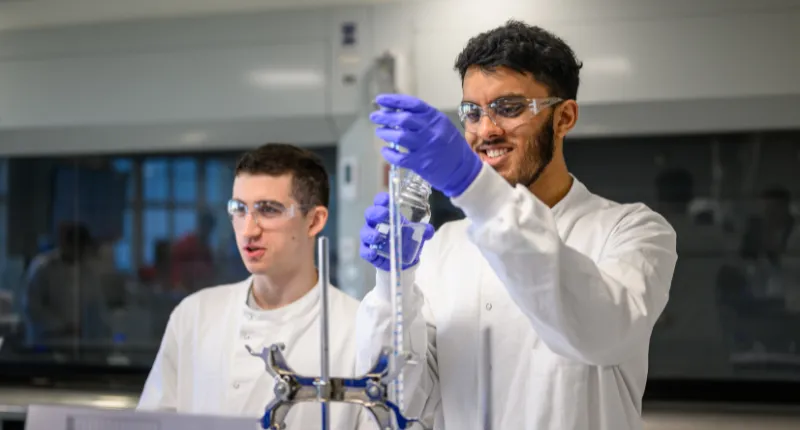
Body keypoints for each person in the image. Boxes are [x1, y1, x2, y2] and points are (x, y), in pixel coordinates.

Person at [356, 21, 678, 430]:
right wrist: (392, 284)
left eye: (508, 108)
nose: (486, 130)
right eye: (472, 112)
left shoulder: (633, 231)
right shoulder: (443, 247)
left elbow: (600, 334)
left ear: (564, 118)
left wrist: (470, 183)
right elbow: (402, 399)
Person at [138, 143, 368, 428]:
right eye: (239, 209)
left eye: (268, 210)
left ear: (314, 221)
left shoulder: (358, 329)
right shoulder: (194, 315)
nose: (248, 230)